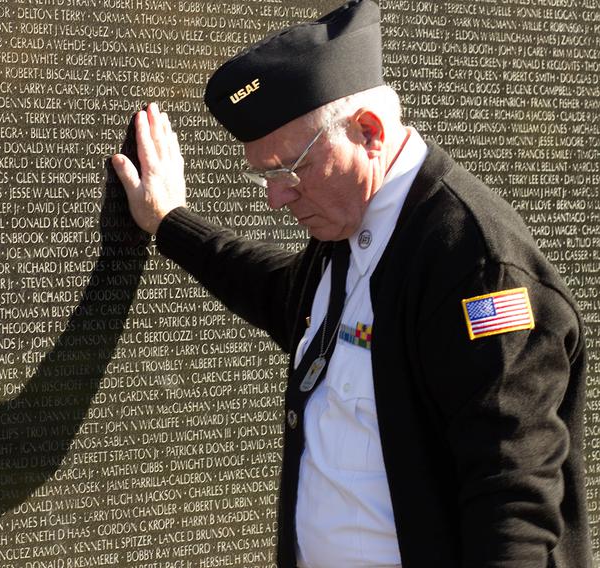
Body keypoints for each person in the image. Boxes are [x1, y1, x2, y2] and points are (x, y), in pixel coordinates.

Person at [111, 0, 590, 566]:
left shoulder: (478, 269)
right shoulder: (351, 227)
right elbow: (285, 296)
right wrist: (169, 222)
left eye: (292, 169)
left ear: (369, 132)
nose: (276, 196)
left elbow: (512, 496)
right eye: (266, 174)